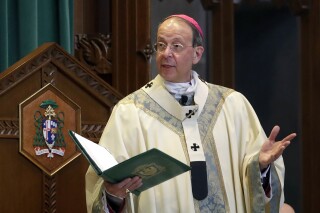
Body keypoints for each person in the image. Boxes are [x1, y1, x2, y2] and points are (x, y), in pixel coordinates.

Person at [85, 14, 296, 213]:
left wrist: (260, 167)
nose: (166, 53)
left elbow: (259, 189)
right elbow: (105, 185)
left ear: (197, 53)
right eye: (160, 45)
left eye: (176, 46)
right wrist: (112, 195)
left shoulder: (231, 105)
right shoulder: (130, 112)